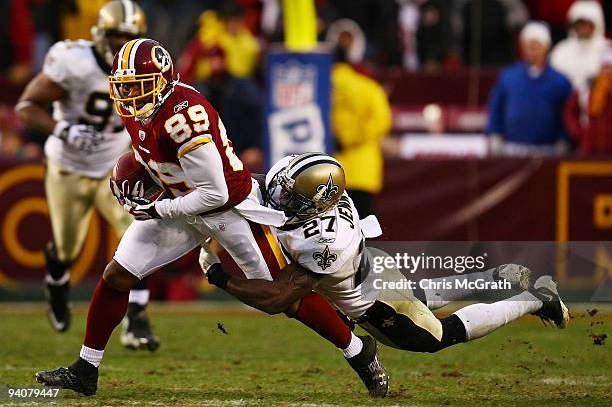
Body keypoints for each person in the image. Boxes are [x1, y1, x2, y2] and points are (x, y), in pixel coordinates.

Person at [34, 39, 383, 397]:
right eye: (123, 87)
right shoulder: (137, 108)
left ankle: (358, 351)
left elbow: (214, 193)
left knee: (283, 296)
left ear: (162, 81)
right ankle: (86, 368)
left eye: (137, 87)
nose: (128, 96)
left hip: (230, 210)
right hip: (182, 201)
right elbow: (150, 157)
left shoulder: (183, 118)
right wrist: (129, 176)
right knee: (117, 275)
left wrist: (158, 208)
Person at [200, 152, 570, 393]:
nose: (278, 201)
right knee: (417, 299)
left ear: (316, 203)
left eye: (290, 199)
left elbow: (277, 298)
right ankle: (496, 279)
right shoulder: (309, 195)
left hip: (371, 300)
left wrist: (220, 277)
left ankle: (533, 299)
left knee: (436, 335)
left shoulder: (325, 241)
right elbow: (257, 185)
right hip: (370, 268)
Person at [15, 0, 161, 350]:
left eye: (128, 36)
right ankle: (57, 280)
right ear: (100, 33)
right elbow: (26, 106)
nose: (120, 44)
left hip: (115, 164)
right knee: (68, 246)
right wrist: (62, 128)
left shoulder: (143, 63)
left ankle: (136, 320)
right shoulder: (73, 61)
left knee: (138, 234)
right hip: (69, 165)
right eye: (115, 36)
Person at [486, 21, 573, 155]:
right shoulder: (508, 76)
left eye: (537, 46)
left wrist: (564, 139)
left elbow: (567, 113)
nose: (533, 51)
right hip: (512, 150)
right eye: (529, 46)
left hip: (548, 151)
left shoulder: (560, 81)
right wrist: (494, 134)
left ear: (546, 47)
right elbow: (496, 108)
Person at [331, 47, 391, 217]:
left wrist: (339, 139)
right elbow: (382, 120)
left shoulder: (318, 87)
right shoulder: (369, 87)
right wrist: (350, 139)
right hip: (362, 170)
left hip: (325, 173)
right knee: (362, 229)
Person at [550, 0, 609, 102]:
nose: (583, 28)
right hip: (565, 106)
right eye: (579, 23)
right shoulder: (561, 51)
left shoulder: (608, 50)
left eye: (587, 23)